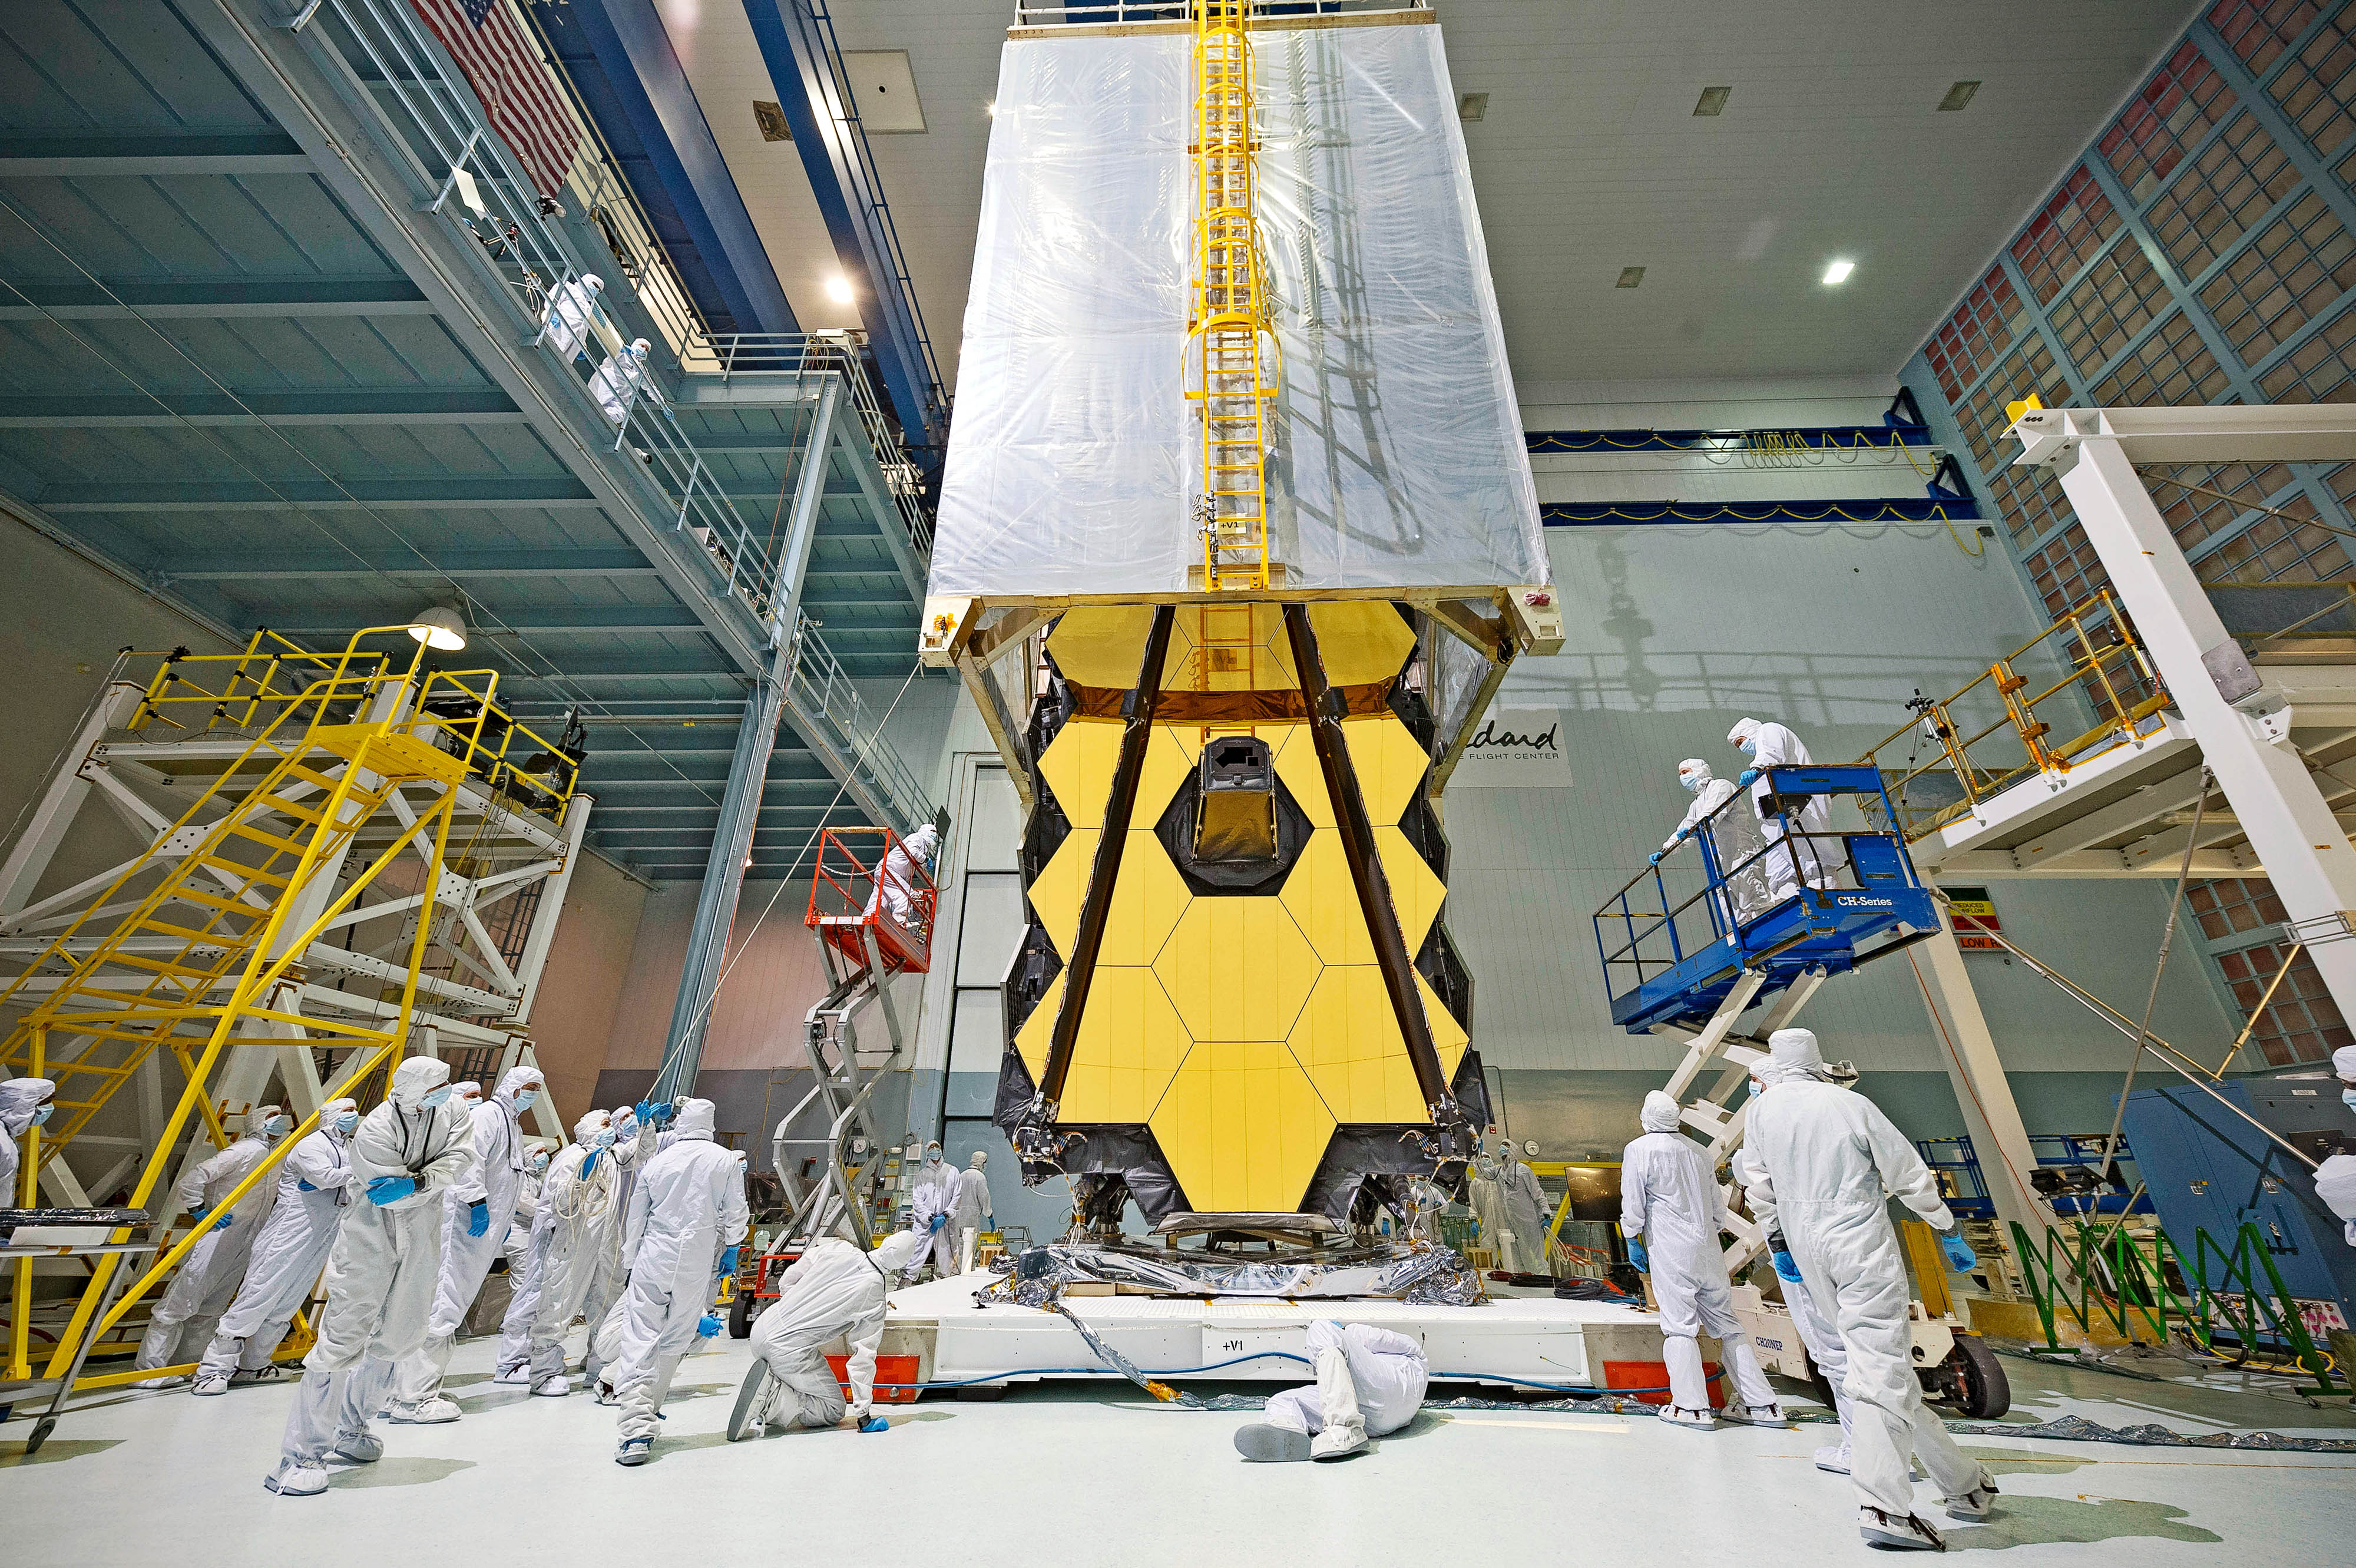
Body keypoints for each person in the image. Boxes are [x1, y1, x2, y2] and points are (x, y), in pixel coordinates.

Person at [1744, 1028, 1996, 1551]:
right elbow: (1906, 1171)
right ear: (1818, 1060)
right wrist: (1945, 1224)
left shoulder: (1762, 1113)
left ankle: (1964, 1484)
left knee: (1884, 1372)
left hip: (1807, 1251)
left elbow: (1758, 1184)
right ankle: (1885, 1508)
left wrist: (1779, 1242)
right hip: (1859, 1244)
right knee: (1880, 1369)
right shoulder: (1848, 1103)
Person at [266, 1057, 474, 1497]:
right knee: (342, 1339)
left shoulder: (451, 1112)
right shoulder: (379, 1126)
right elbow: (388, 1197)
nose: (446, 1090)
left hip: (421, 1237)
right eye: (437, 1084)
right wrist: (427, 1183)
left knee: (400, 1335)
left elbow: (458, 1159)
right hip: (370, 1237)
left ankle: (353, 1427)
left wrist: (419, 1182)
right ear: (414, 1089)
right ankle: (301, 1455)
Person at [1620, 1091, 1785, 1431]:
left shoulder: (1639, 1150)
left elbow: (1634, 1204)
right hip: (1708, 1251)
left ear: (1648, 1117)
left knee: (1680, 1328)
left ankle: (1691, 1408)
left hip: (1672, 1251)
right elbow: (1716, 1210)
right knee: (1729, 1326)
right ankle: (1764, 1407)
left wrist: (1631, 1236)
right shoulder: (1699, 1153)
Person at [387, 1066, 543, 1423]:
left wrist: (499, 1222)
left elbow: (507, 1179)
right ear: (512, 1087)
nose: (532, 1094)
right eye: (528, 1087)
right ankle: (415, 1399)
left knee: (448, 1306)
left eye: (536, 1088)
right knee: (443, 1305)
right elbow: (470, 1165)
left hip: (482, 1234)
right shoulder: (490, 1115)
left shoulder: (511, 1123)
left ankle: (403, 1393)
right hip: (463, 1228)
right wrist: (476, 1205)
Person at [610, 1098, 749, 1466]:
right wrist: (732, 1249)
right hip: (696, 1262)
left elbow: (635, 1218)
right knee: (676, 1339)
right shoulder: (725, 1160)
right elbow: (736, 1212)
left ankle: (634, 1431)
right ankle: (650, 1412)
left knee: (641, 1337)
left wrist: (629, 1261)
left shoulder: (658, 1162)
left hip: (653, 1256)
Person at [195, 1098, 362, 1395]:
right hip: (289, 1231)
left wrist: (344, 1178)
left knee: (286, 1302)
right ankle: (212, 1371)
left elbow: (343, 1180)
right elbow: (326, 1177)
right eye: (347, 1112)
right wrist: (352, 1176)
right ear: (333, 1116)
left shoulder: (346, 1149)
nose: (353, 1116)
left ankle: (253, 1366)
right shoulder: (312, 1145)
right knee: (259, 1294)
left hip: (322, 1232)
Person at [134, 1103, 290, 1386]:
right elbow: (194, 1179)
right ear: (257, 1122)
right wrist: (200, 1212)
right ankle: (147, 1372)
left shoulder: (275, 1155)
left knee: (210, 1310)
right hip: (219, 1235)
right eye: (272, 1117)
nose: (280, 1122)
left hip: (246, 1239)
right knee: (180, 1302)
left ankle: (184, 1368)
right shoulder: (243, 1151)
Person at [728, 1228, 928, 1442]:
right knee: (833, 1409)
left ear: (886, 1242)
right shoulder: (875, 1296)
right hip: (789, 1351)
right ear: (901, 1265)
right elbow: (862, 1359)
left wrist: (797, 1309)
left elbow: (788, 1279)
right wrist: (863, 1415)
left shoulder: (841, 1249)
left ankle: (773, 1383)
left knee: (798, 1367)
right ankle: (772, 1399)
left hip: (762, 1326)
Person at [1733, 1141, 1857, 1473]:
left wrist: (1777, 1242)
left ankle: (1864, 1452)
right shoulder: (1830, 1133)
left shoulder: (1763, 1145)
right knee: (1871, 1355)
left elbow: (1758, 1192)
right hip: (1852, 1245)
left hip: (1801, 1252)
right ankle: (1893, 1452)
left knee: (1832, 1353)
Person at [516, 1110, 627, 1395]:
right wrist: (581, 1178)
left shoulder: (610, 1159)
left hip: (605, 1246)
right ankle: (544, 1373)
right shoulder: (571, 1158)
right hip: (573, 1246)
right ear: (589, 1129)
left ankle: (600, 1368)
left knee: (605, 1306)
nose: (610, 1130)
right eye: (604, 1125)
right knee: (559, 1305)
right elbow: (561, 1206)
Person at [1235, 1320, 1430, 1461]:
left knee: (1321, 1328)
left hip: (1390, 1388)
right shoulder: (1412, 1363)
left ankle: (1344, 1429)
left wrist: (1341, 1335)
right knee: (1283, 1401)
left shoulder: (1359, 1335)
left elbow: (1370, 1339)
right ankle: (1287, 1428)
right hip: (1380, 1419)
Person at [1727, 717, 1846, 903]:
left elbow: (1772, 753)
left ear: (1750, 731)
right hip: (1775, 812)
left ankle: (1825, 893)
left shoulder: (1768, 730)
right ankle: (1788, 897)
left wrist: (1756, 768)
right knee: (1779, 862)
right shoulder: (1761, 753)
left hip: (1798, 804)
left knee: (1809, 852)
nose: (1742, 748)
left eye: (1741, 742)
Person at [1654, 757, 1770, 926]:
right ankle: (1740, 931)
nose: (1682, 778)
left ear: (1699, 770)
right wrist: (1666, 849)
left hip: (1740, 852)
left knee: (1752, 894)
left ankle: (1765, 924)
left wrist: (1695, 827)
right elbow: (1685, 828)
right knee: (1726, 899)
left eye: (1685, 773)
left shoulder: (1720, 786)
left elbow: (1712, 814)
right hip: (1721, 860)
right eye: (1680, 775)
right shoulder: (1696, 804)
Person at [489, 1143, 554, 1383]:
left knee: (532, 1289)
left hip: (534, 1232)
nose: (543, 1158)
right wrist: (552, 1207)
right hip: (518, 1233)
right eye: (538, 1154)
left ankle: (524, 1349)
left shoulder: (540, 1178)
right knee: (523, 1289)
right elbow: (525, 1205)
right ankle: (512, 1355)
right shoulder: (521, 1179)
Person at [865, 823, 938, 928]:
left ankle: (868, 917)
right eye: (933, 831)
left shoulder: (924, 846)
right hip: (889, 870)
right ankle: (900, 920)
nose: (934, 835)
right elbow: (913, 852)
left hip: (888, 871)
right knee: (905, 894)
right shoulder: (916, 838)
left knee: (880, 898)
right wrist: (926, 859)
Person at [905, 1140, 957, 1283]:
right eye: (932, 1148)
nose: (935, 1150)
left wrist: (946, 1214)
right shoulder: (922, 1175)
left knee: (949, 1252)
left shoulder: (952, 1172)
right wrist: (930, 1217)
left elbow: (957, 1196)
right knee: (917, 1250)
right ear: (927, 1152)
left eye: (937, 1147)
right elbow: (917, 1200)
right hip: (926, 1223)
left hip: (946, 1222)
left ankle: (951, 1281)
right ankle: (907, 1280)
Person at [1497, 1139, 1551, 1275]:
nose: (1503, 1150)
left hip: (1529, 1222)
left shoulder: (1524, 1171)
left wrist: (1546, 1213)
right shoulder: (1501, 1172)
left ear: (1513, 1150)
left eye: (1506, 1147)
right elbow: (1483, 1174)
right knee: (1517, 1257)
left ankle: (1543, 1284)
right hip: (1512, 1222)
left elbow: (1538, 1193)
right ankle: (1523, 1281)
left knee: (1536, 1258)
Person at [0, 1077, 55, 1196]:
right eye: (46, 1102)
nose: (50, 1108)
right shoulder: (2, 1142)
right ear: (25, 1104)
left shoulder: (6, 1138)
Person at [588, 338, 652, 426]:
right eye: (642, 346)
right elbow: (610, 351)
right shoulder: (623, 352)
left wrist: (663, 405)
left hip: (620, 395)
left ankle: (599, 422)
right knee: (593, 402)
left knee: (620, 414)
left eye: (647, 350)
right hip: (606, 385)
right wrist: (621, 350)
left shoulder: (642, 369)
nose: (644, 350)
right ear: (635, 345)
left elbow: (651, 388)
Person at [542, 273, 604, 362]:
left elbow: (582, 328)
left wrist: (582, 346)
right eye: (595, 285)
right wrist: (553, 315)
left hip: (567, 350)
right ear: (586, 280)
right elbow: (552, 298)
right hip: (554, 333)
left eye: (599, 291)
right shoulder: (569, 287)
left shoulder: (588, 308)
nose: (596, 290)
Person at [952, 1150, 994, 1275]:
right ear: (982, 1162)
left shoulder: (962, 1175)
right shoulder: (979, 1177)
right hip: (971, 1215)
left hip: (958, 1214)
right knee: (970, 1244)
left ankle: (958, 1271)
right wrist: (989, 1214)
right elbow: (985, 1197)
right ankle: (968, 1271)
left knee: (959, 1244)